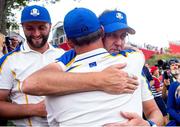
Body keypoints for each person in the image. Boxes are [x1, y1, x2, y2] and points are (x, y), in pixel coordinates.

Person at [42, 8, 162, 126]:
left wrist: (148, 124)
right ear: (100, 33)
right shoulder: (134, 59)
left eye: (123, 36)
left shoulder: (132, 67)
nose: (119, 43)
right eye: (112, 35)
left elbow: (155, 113)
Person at [0, 5, 65, 126]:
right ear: (22, 27)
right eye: (30, 28)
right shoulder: (9, 60)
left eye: (42, 27)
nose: (36, 33)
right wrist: (35, 109)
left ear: (50, 26)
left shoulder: (63, 55)